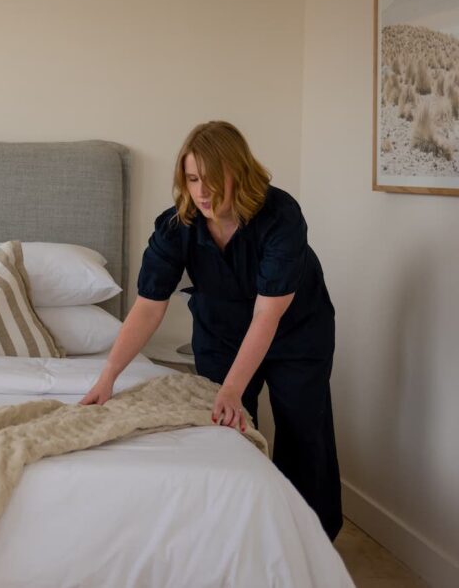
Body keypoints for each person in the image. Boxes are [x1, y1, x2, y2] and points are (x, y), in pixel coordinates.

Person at [80, 120, 342, 540]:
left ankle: (311, 540)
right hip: (220, 332)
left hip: (295, 333)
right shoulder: (175, 226)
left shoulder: (281, 216)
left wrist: (233, 387)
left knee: (302, 430)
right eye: (193, 178)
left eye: (214, 179)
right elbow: (148, 307)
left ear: (239, 173)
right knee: (227, 430)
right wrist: (108, 375)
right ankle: (241, 533)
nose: (202, 192)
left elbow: (266, 317)